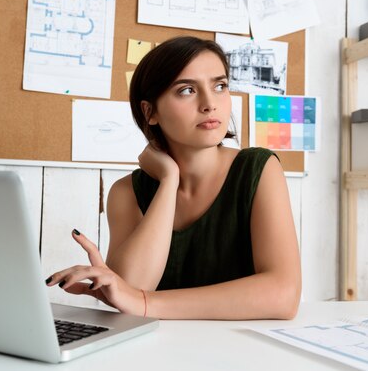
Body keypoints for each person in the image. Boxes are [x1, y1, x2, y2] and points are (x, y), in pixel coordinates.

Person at [46, 36, 301, 320]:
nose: (209, 104)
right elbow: (129, 289)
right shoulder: (126, 192)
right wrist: (169, 180)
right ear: (150, 111)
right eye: (187, 90)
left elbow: (284, 295)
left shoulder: (259, 169)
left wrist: (146, 304)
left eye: (220, 86)